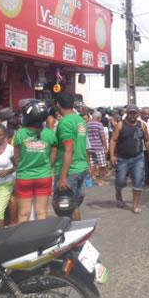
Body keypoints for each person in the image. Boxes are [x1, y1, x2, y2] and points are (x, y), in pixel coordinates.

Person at [14, 101, 57, 222]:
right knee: (42, 212)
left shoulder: (20, 134)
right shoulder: (50, 134)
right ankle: (41, 239)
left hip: (24, 177)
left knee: (23, 214)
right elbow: (53, 158)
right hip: (44, 176)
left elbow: (16, 158)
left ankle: (22, 239)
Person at [109, 104, 149, 214]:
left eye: (134, 113)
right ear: (127, 113)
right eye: (130, 113)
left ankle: (135, 205)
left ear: (138, 114)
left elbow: (147, 141)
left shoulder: (142, 126)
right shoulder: (120, 125)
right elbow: (113, 140)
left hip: (138, 158)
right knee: (120, 181)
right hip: (122, 159)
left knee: (138, 181)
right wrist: (111, 156)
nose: (133, 115)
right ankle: (118, 194)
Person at [54, 93, 89, 221]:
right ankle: (76, 233)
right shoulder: (80, 121)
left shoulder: (64, 123)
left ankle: (75, 235)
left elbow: (69, 149)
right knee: (73, 205)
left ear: (58, 105)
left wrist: (63, 177)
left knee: (65, 207)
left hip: (70, 170)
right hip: (80, 167)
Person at [87, 111, 108, 185]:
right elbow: (102, 137)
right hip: (99, 148)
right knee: (102, 165)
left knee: (92, 165)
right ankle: (100, 181)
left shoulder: (87, 124)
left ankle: (92, 179)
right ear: (99, 117)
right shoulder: (99, 124)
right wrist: (105, 147)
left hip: (90, 148)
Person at [139, 107, 149, 187]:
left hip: (148, 147)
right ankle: (142, 181)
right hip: (141, 148)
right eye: (146, 114)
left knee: (147, 165)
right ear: (141, 114)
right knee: (142, 166)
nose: (148, 115)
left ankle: (146, 180)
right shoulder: (139, 123)